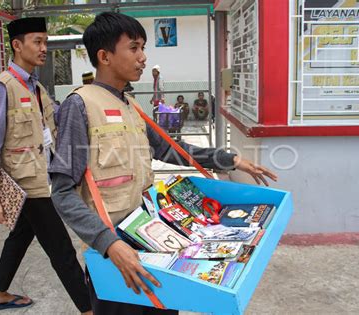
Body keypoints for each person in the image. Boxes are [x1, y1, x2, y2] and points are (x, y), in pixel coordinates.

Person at [48, 12, 277, 315]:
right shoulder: (79, 106)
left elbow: (169, 150)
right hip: (115, 254)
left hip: (152, 239)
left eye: (143, 48)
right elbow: (62, 192)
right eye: (134, 48)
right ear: (104, 56)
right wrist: (110, 245)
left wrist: (229, 159)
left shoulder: (129, 104)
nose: (143, 57)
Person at [0, 17, 92, 314]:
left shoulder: (36, 87)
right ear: (17, 45)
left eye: (45, 41)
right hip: (28, 184)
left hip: (44, 177)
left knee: (20, 236)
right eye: (37, 42)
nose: (44, 48)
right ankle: (89, 309)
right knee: (62, 250)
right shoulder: (4, 88)